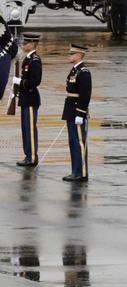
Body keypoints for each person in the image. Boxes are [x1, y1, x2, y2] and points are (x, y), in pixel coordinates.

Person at [62, 44, 93, 183]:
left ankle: (82, 173)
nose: (70, 56)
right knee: (72, 142)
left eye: (72, 54)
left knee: (79, 143)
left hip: (77, 112)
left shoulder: (84, 72)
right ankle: (75, 171)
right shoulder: (75, 71)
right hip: (70, 111)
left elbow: (85, 95)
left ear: (80, 55)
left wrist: (80, 114)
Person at [14, 32, 43, 167]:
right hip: (26, 98)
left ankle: (32, 157)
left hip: (31, 99)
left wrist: (20, 82)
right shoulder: (28, 59)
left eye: (25, 43)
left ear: (32, 44)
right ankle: (27, 155)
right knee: (25, 129)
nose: (23, 45)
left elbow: (35, 81)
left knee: (30, 129)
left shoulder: (35, 60)